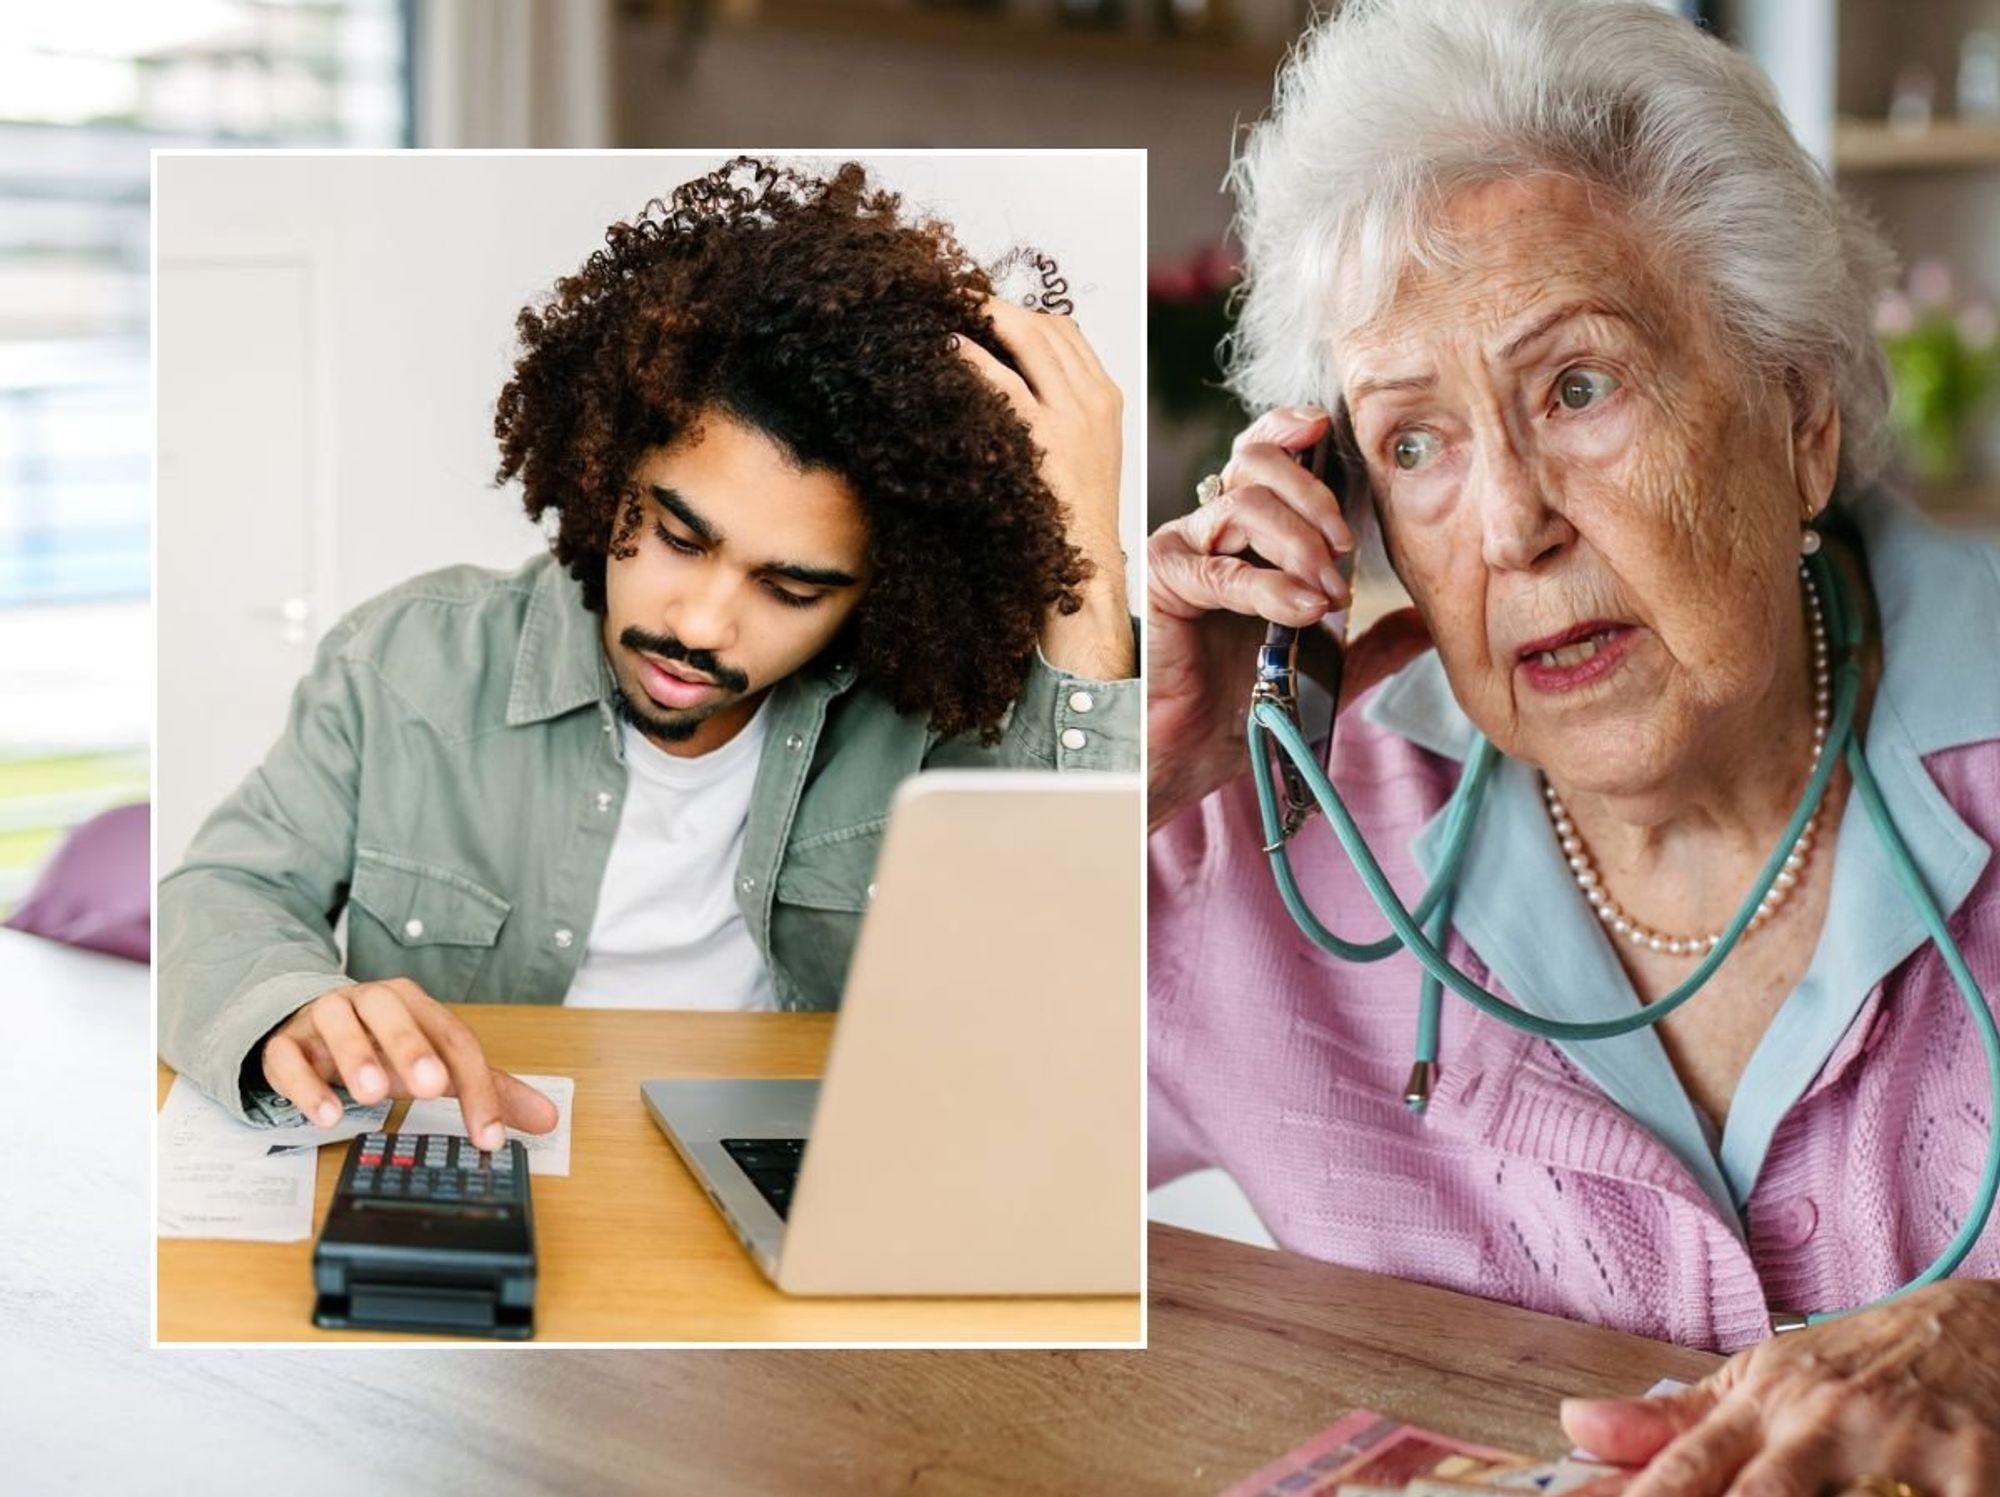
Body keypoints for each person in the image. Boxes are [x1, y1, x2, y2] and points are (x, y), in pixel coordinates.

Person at [1147, 1, 2000, 1492]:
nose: (1508, 527)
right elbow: (800, 1192)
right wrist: (1095, 771)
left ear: (1798, 414)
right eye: (1413, 444)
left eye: (1580, 386)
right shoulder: (1257, 828)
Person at [160, 156, 1137, 1156]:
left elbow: (1062, 996)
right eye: (677, 537)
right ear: (606, 469)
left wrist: (1089, 569)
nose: (705, 625)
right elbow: (224, 894)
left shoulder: (932, 722)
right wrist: (287, 1007)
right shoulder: (406, 662)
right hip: (488, 1182)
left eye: (791, 589)